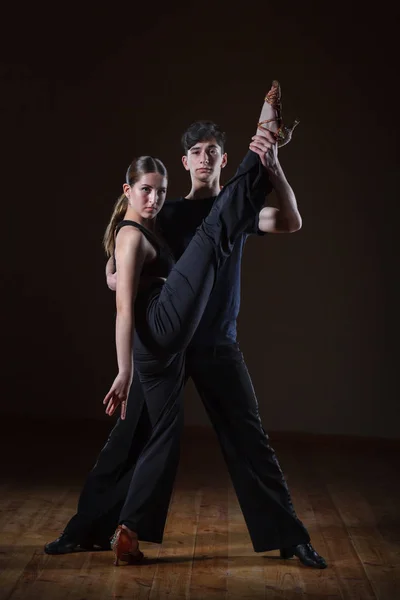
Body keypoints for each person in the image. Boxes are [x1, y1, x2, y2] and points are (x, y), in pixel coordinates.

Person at [45, 82, 327, 569]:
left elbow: (292, 221)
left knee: (249, 439)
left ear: (223, 160)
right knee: (127, 440)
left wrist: (274, 167)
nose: (203, 159)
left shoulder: (235, 214)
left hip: (218, 343)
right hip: (168, 348)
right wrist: (111, 269)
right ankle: (84, 530)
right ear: (184, 163)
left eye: (212, 152)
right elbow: (130, 244)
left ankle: (290, 536)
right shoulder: (163, 212)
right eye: (195, 152)